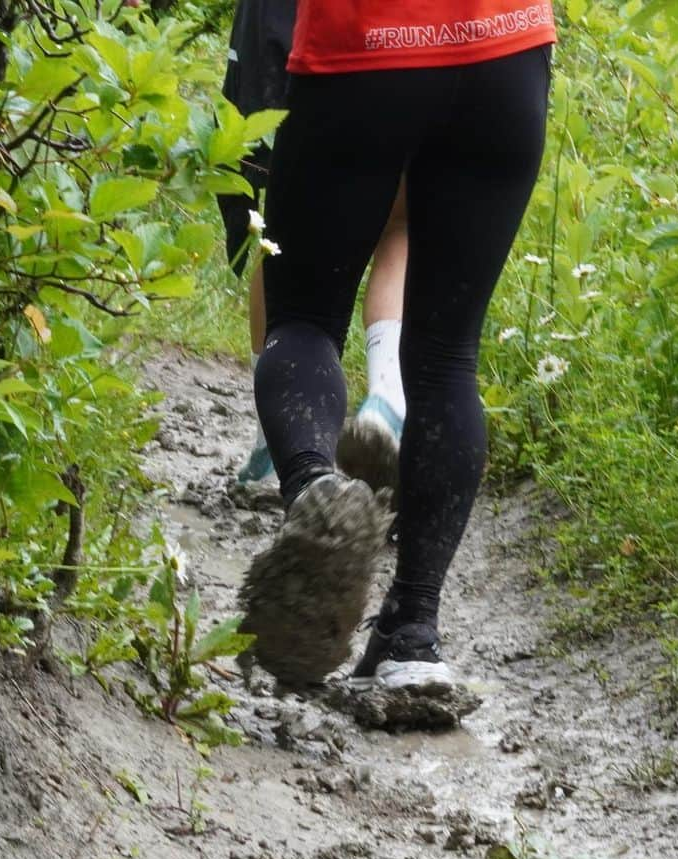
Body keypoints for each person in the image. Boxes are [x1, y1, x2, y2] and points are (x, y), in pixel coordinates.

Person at [240, 1, 555, 691]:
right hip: (506, 50)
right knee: (447, 356)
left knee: (303, 318)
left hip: (363, 48)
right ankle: (413, 635)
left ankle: (317, 494)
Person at [218, 0, 409, 487]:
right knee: (400, 221)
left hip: (286, 27)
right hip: (405, 34)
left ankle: (273, 443)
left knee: (276, 227)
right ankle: (387, 392)